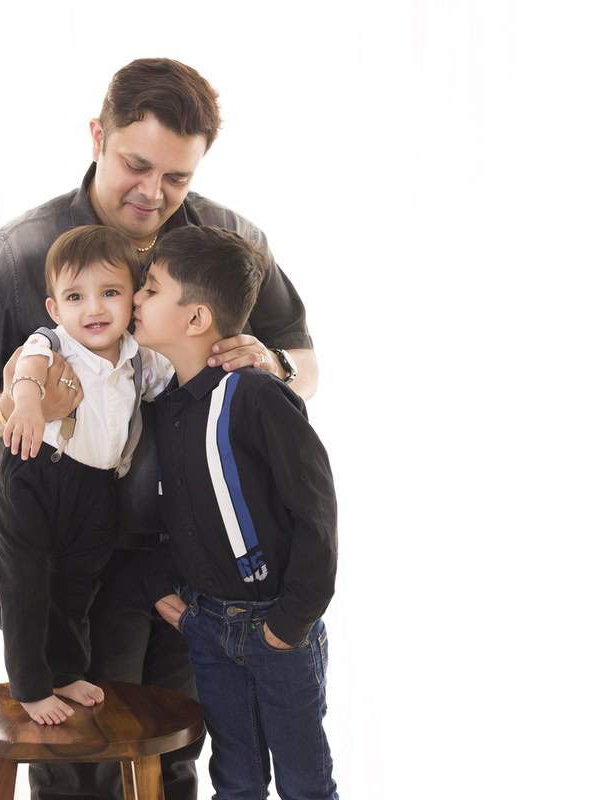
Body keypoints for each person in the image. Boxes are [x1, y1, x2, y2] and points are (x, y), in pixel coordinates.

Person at [0, 57, 319, 800]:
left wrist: (270, 364)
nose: (154, 194)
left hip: (190, 566)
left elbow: (302, 360)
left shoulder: (229, 242)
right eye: (136, 166)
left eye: (176, 178)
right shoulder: (22, 253)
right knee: (74, 769)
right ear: (96, 137)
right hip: (59, 555)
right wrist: (21, 412)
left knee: (172, 760)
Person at [135, 226, 339, 800]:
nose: (135, 299)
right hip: (206, 628)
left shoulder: (256, 396)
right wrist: (161, 589)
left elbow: (317, 512)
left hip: (279, 629)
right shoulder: (165, 408)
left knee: (305, 784)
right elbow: (161, 512)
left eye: (149, 289)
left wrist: (290, 623)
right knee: (235, 779)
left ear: (197, 319)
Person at [0, 225, 172, 725]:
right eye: (75, 296)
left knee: (77, 585)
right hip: (34, 474)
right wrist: (27, 404)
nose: (93, 309)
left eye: (109, 293)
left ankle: (66, 670)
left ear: (133, 299)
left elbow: (178, 375)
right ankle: (29, 684)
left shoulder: (140, 358)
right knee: (26, 582)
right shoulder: (54, 343)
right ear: (55, 309)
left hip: (98, 486)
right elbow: (29, 367)